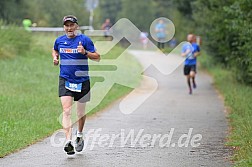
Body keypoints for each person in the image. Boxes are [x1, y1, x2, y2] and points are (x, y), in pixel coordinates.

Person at [52, 15, 100, 155]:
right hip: (65, 79)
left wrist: (84, 52)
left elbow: (97, 57)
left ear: (76, 26)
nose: (69, 28)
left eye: (71, 25)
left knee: (80, 113)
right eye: (66, 26)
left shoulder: (84, 40)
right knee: (66, 111)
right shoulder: (59, 41)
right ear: (64, 28)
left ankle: (79, 134)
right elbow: (55, 49)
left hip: (82, 81)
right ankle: (68, 141)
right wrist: (55, 58)